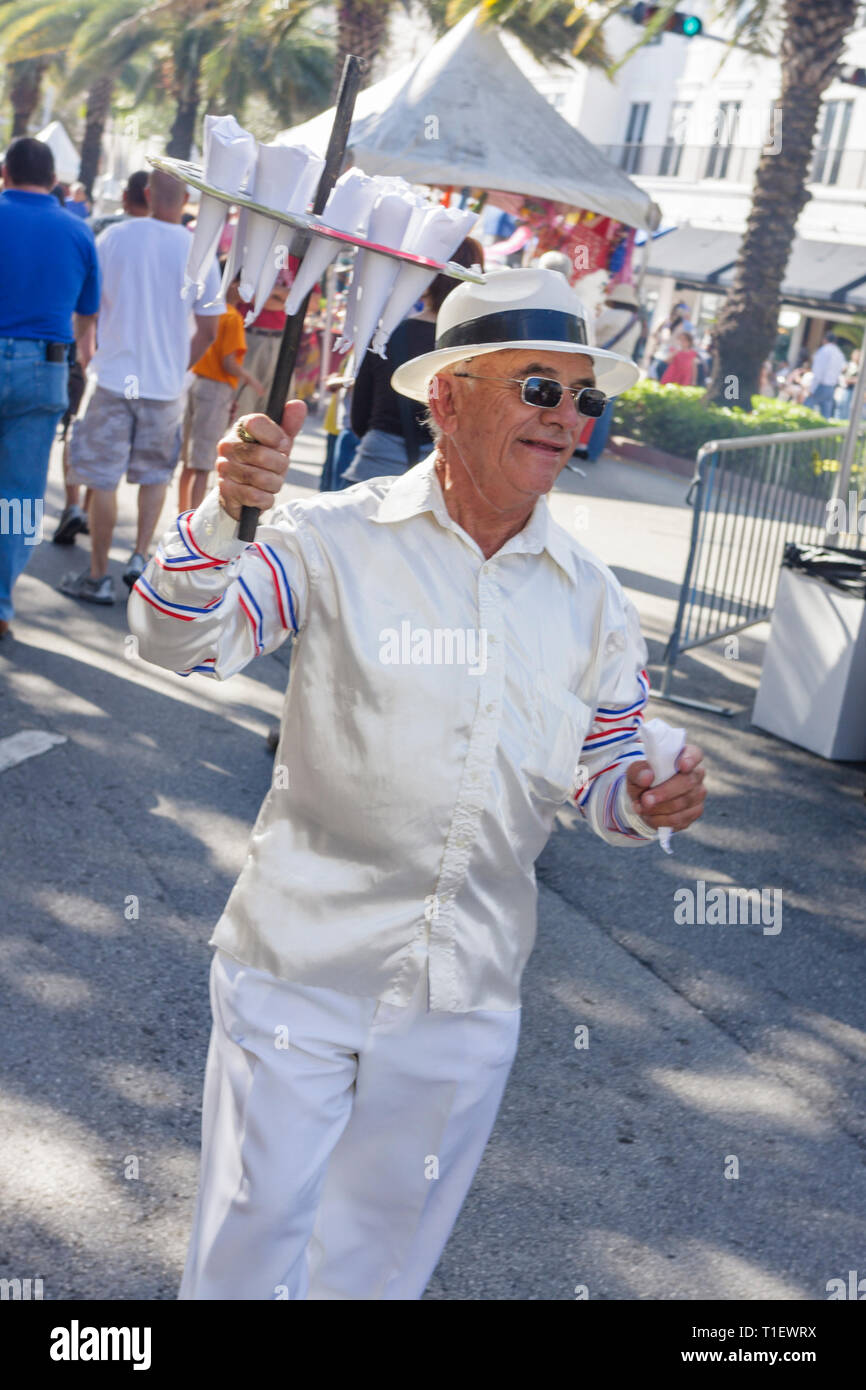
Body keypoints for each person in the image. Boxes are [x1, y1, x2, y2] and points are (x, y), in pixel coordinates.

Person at [127, 266, 707, 1301]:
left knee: (377, 1270)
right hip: (297, 969)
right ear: (446, 396)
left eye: (584, 398)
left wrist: (646, 797)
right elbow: (176, 643)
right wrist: (223, 512)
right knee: (248, 1249)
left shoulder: (592, 600)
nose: (566, 417)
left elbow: (602, 775)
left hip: (464, 996)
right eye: (538, 387)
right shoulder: (328, 538)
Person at [59, 168, 222, 605]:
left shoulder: (114, 238)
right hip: (165, 386)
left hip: (113, 377)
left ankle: (97, 576)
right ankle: (137, 558)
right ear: (186, 198)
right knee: (154, 475)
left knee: (103, 477)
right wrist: (175, 366)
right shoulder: (199, 251)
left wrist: (86, 351)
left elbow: (86, 307)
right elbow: (209, 330)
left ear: (147, 194)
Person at [0, 136, 100, 638]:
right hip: (46, 367)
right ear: (54, 179)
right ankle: (0, 603)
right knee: (17, 495)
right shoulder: (78, 232)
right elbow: (88, 314)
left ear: (5, 173)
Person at [54, 171, 153, 546]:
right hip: (140, 372)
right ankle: (91, 513)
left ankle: (73, 505)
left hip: (95, 358)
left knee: (78, 431)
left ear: (127, 196)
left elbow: (84, 299)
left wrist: (84, 352)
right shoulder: (176, 240)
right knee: (112, 445)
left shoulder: (101, 230)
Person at [345, 237, 485, 483]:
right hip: (442, 478)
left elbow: (359, 419)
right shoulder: (479, 349)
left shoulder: (385, 335)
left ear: (425, 277)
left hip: (373, 469)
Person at [177, 271, 263, 514]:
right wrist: (251, 379)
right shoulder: (232, 317)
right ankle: (192, 518)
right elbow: (229, 363)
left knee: (189, 461)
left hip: (197, 382)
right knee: (203, 463)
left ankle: (182, 511)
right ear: (234, 284)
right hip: (215, 389)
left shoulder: (210, 311)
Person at [585, 281, 643, 464]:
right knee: (606, 410)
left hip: (603, 365)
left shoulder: (611, 315)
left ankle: (579, 447)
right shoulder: (636, 322)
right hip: (623, 368)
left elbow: (590, 333)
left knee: (586, 405)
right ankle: (594, 451)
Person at [232, 267, 292, 420]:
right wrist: (290, 299)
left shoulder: (300, 257)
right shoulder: (255, 249)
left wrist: (273, 291)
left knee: (276, 409)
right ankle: (241, 442)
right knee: (243, 404)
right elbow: (247, 294)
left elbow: (311, 302)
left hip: (282, 341)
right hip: (249, 336)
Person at [805, 331, 846, 418]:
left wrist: (812, 388)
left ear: (824, 340)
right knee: (825, 415)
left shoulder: (824, 350)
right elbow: (842, 368)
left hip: (821, 385)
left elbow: (818, 371)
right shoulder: (839, 353)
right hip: (831, 387)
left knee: (806, 408)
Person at [648, 300, 693, 379]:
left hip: (669, 355)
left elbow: (655, 335)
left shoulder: (683, 324)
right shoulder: (669, 321)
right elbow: (656, 335)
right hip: (664, 354)